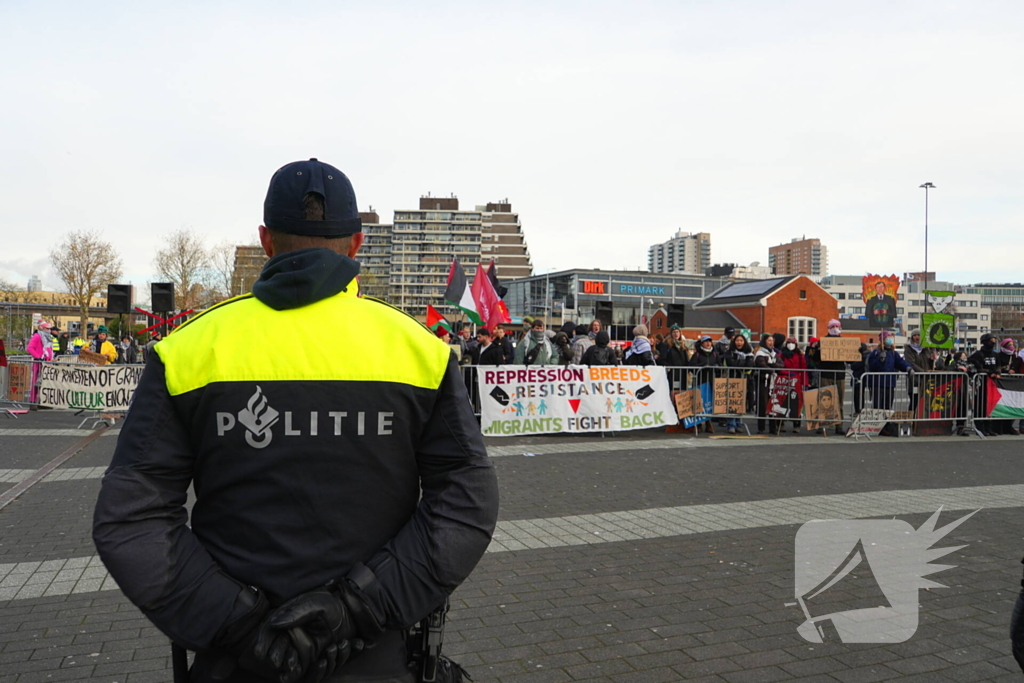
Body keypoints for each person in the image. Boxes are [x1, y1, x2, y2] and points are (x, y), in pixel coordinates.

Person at [93, 158, 499, 683]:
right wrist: (360, 607)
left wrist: (238, 624)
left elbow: (132, 518)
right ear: (357, 244)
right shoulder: (419, 351)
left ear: (265, 240)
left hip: (236, 662)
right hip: (376, 654)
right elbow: (466, 501)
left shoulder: (188, 349)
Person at [807, 319, 849, 435]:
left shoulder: (845, 342)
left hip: (839, 375)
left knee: (839, 401)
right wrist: (818, 350)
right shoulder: (822, 342)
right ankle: (822, 425)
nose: (835, 328)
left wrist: (858, 351)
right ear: (829, 328)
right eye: (832, 326)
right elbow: (814, 359)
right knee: (823, 400)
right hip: (826, 374)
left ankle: (839, 426)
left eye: (837, 326)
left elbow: (850, 360)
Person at [867, 331, 912, 436]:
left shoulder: (893, 353)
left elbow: (900, 362)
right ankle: (878, 426)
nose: (890, 340)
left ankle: (886, 425)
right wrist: (879, 360)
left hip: (890, 384)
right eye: (888, 338)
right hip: (877, 383)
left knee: (888, 406)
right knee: (878, 406)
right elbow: (871, 366)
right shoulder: (875, 353)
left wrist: (908, 368)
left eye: (891, 337)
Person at [722, 334, 754, 435]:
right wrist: (742, 363)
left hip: (744, 380)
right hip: (732, 379)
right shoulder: (729, 352)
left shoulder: (749, 353)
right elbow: (730, 363)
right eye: (737, 340)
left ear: (744, 342)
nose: (739, 342)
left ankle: (738, 424)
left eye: (741, 340)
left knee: (740, 402)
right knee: (732, 402)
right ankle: (731, 425)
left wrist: (738, 363)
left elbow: (749, 365)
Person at [777, 336, 809, 435]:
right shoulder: (781, 355)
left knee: (796, 403)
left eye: (792, 343)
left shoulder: (800, 355)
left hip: (796, 382)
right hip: (784, 381)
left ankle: (796, 425)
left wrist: (805, 383)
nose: (791, 345)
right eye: (789, 343)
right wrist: (787, 373)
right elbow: (778, 367)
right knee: (782, 401)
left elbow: (803, 369)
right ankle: (780, 424)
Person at [754, 334, 780, 434]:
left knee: (773, 403)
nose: (771, 342)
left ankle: (773, 428)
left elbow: (781, 365)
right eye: (769, 340)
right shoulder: (760, 353)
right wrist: (773, 368)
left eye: (772, 341)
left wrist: (771, 365)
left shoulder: (774, 353)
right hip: (763, 381)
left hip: (773, 381)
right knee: (763, 404)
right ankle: (761, 428)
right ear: (764, 341)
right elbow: (762, 366)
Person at [27, 321, 55, 404]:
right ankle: (33, 400)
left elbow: (49, 349)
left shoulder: (48, 337)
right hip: (39, 362)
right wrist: (38, 357)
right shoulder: (37, 336)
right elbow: (30, 348)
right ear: (42, 328)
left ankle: (44, 401)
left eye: (50, 329)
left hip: (47, 363)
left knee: (46, 382)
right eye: (47, 328)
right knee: (36, 381)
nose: (49, 330)